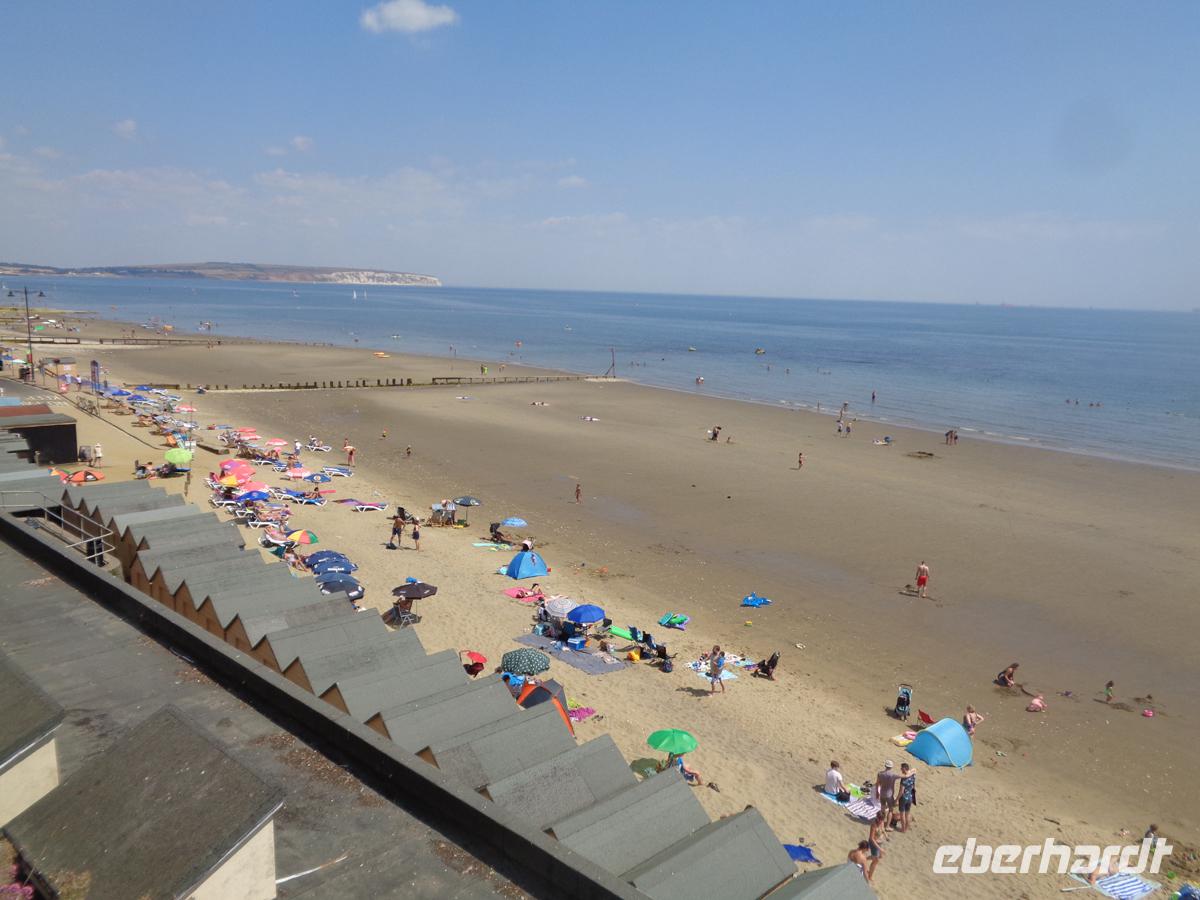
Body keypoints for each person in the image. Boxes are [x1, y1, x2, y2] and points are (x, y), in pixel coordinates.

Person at [896, 763, 916, 832]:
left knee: (902, 815)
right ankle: (906, 828)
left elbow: (901, 791)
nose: (900, 769)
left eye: (901, 768)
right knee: (907, 814)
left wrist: (896, 799)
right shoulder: (913, 775)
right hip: (910, 797)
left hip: (903, 798)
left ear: (904, 769)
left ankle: (903, 829)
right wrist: (908, 774)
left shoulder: (903, 779)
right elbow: (914, 769)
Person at [867, 812, 887, 881]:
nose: (881, 821)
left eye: (882, 819)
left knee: (879, 856)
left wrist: (886, 836)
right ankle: (870, 876)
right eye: (880, 819)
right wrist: (880, 848)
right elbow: (871, 838)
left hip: (880, 842)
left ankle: (864, 858)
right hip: (874, 843)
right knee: (876, 860)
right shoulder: (874, 825)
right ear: (877, 818)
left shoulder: (882, 822)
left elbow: (883, 829)